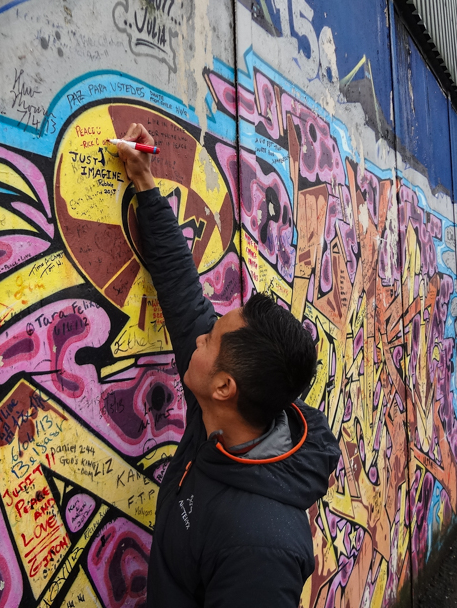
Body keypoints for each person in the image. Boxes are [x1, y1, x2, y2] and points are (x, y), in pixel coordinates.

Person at [116, 123, 341, 607]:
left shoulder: (261, 545)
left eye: (211, 338)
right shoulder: (225, 421)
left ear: (224, 386)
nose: (199, 335)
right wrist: (145, 184)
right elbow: (182, 294)